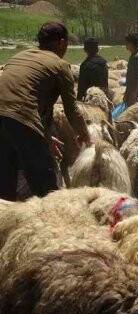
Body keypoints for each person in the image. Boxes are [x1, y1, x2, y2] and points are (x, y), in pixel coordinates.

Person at [0, 22, 89, 200]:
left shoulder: (19, 57)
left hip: (6, 118)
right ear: (62, 43)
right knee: (46, 187)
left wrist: (46, 136)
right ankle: (52, 223)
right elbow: (71, 110)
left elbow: (35, 101)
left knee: (4, 186)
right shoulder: (60, 65)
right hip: (20, 120)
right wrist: (86, 136)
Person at [123, 33, 138, 107]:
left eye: (127, 43)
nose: (125, 45)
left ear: (132, 43)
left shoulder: (137, 58)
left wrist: (132, 96)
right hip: (132, 92)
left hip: (137, 94)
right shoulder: (134, 56)